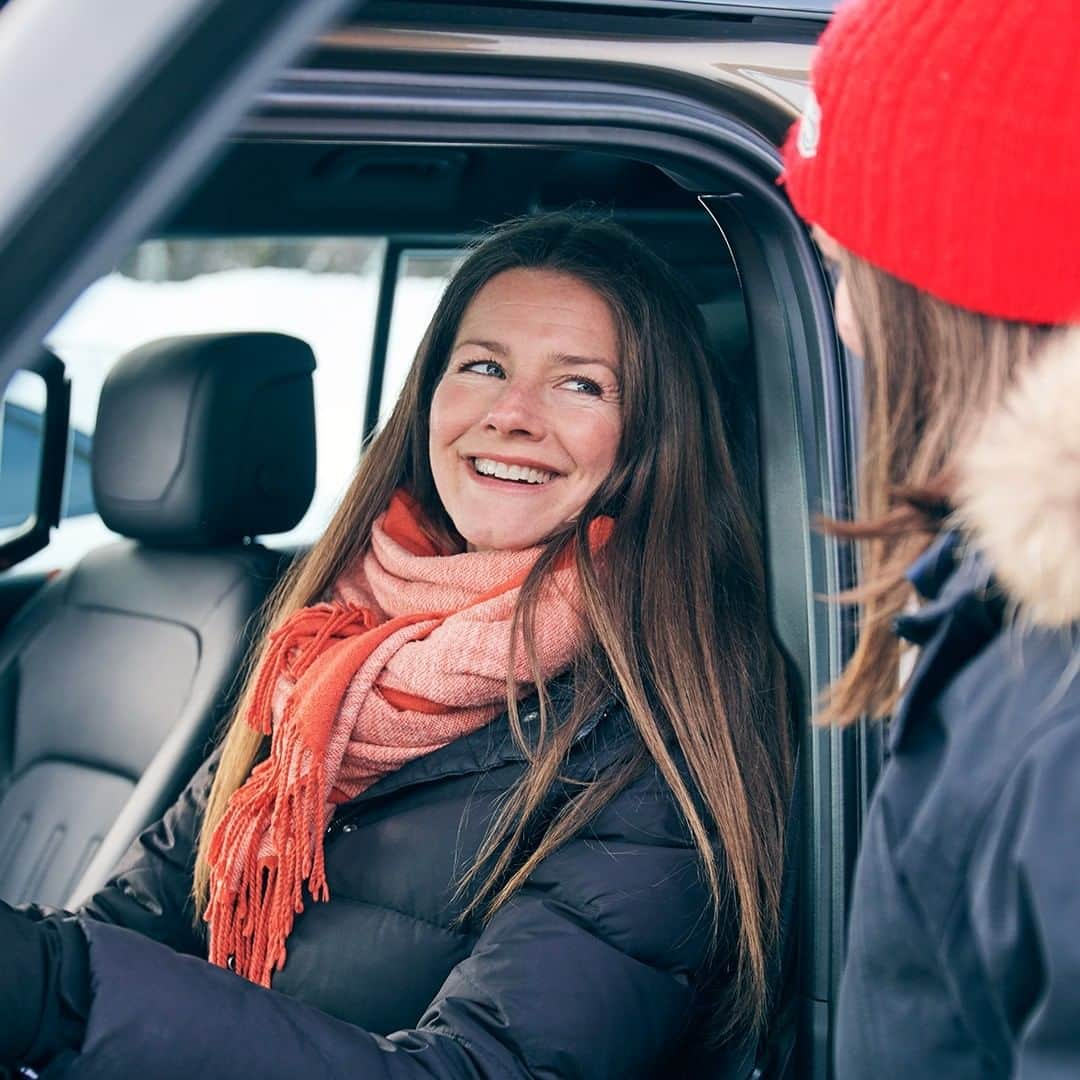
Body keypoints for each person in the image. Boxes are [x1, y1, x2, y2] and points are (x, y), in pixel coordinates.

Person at [0, 212, 791, 1078]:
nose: (511, 414)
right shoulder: (326, 652)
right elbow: (139, 920)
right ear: (428, 400)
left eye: (581, 385)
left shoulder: (657, 741)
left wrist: (63, 993)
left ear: (652, 440)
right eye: (483, 367)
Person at [782, 1, 1080, 1076]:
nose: (845, 328)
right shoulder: (1001, 627)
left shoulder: (1055, 707)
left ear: (947, 297)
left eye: (841, 268)